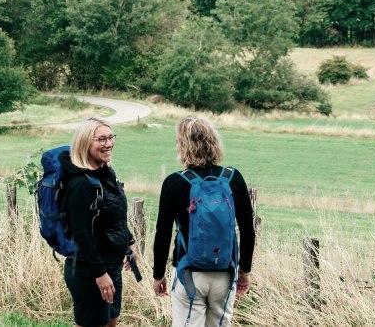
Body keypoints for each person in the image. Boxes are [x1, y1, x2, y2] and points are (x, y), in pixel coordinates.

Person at [151, 116, 256, 327]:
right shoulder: (233, 178)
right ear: (213, 142)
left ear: (182, 145)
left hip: (188, 272)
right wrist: (244, 271)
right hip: (225, 272)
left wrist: (158, 275)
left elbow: (163, 233)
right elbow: (247, 231)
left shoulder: (174, 183)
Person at [61, 118, 137, 327]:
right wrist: (100, 274)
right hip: (89, 271)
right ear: (86, 143)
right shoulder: (80, 184)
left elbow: (115, 214)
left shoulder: (105, 173)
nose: (109, 143)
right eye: (101, 139)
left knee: (111, 322)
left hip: (111, 266)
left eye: (111, 137)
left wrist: (128, 243)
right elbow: (81, 233)